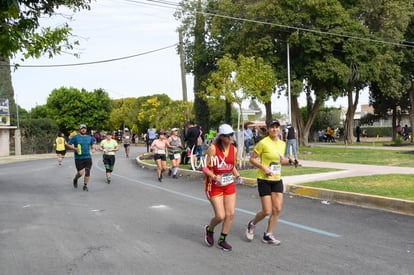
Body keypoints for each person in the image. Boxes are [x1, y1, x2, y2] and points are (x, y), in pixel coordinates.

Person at [245, 119, 297, 246]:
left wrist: (290, 161)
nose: (274, 129)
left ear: (279, 129)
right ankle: (252, 224)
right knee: (266, 211)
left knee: (277, 209)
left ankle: (268, 234)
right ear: (268, 129)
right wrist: (264, 167)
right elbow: (252, 159)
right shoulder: (263, 143)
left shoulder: (282, 144)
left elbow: (281, 161)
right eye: (272, 127)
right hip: (264, 179)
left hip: (277, 179)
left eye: (276, 127)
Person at [202, 124, 242, 252]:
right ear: (221, 137)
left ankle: (222, 240)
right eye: (228, 136)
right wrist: (214, 177)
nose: (231, 137)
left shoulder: (234, 150)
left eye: (232, 135)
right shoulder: (213, 149)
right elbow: (204, 167)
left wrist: (238, 176)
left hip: (228, 184)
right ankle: (210, 229)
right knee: (220, 216)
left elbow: (231, 166)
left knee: (230, 214)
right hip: (214, 186)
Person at [66, 124, 96, 191]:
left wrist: (93, 148)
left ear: (86, 129)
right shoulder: (75, 137)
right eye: (82, 128)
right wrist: (74, 148)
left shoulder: (89, 137)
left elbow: (93, 143)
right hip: (78, 158)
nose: (83, 129)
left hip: (87, 157)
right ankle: (75, 179)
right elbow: (68, 144)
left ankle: (85, 185)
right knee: (80, 173)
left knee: (87, 172)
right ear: (79, 129)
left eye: (84, 128)